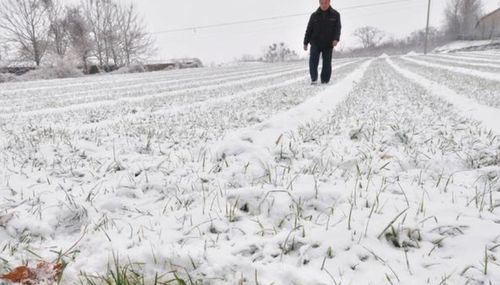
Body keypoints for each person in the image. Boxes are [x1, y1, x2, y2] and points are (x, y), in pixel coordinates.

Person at [303, 0, 342, 85]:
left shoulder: (336, 15)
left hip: (328, 43)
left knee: (327, 63)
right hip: (315, 42)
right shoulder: (314, 16)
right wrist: (305, 42)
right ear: (319, 3)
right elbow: (309, 30)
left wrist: (336, 39)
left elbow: (337, 29)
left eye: (326, 3)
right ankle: (314, 79)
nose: (324, 5)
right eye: (322, 3)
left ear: (329, 2)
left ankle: (325, 80)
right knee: (313, 61)